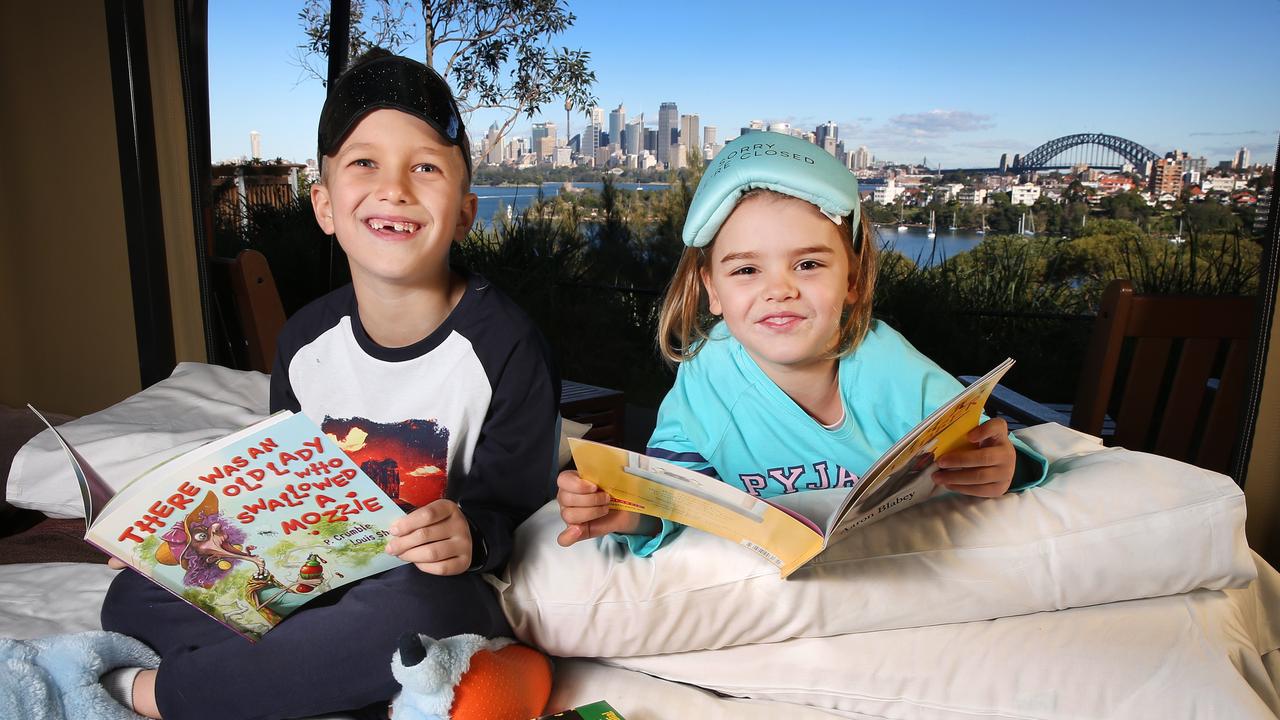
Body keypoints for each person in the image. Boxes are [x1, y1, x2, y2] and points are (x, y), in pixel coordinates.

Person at [98, 50, 560, 719]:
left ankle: (161, 694)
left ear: (464, 212)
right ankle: (327, 674)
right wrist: (173, 548)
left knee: (418, 612)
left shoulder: (507, 344)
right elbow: (278, 495)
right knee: (132, 599)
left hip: (433, 585)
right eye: (364, 163)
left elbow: (515, 517)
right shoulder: (304, 341)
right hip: (319, 577)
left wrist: (471, 533)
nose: (395, 188)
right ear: (324, 203)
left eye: (425, 167)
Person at [556, 131, 1047, 552]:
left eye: (808, 264)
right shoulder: (710, 375)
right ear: (713, 291)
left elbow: (985, 443)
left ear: (852, 278)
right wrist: (625, 514)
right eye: (747, 270)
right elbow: (675, 492)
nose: (779, 290)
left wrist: (1005, 466)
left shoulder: (886, 362)